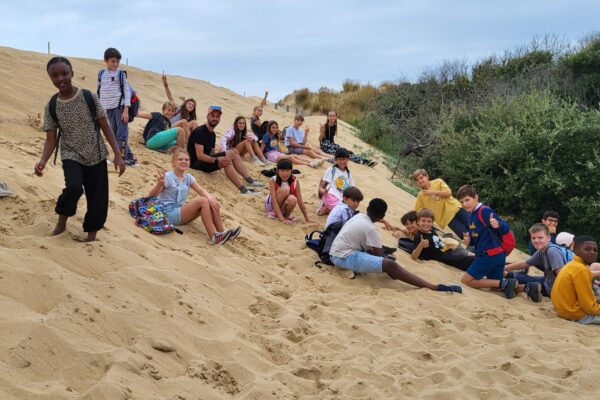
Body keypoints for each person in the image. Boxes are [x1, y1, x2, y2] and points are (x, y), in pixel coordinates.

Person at [35, 56, 126, 242]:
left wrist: (118, 154)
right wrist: (43, 160)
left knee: (97, 196)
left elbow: (106, 127)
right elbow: (51, 139)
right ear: (50, 78)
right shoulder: (51, 106)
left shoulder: (88, 97)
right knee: (74, 187)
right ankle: (61, 224)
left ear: (72, 74)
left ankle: (91, 236)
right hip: (70, 154)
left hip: (96, 153)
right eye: (54, 75)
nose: (60, 78)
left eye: (64, 74)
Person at [328, 198, 463, 293]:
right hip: (342, 257)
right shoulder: (370, 229)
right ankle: (433, 286)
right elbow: (382, 260)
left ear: (367, 209)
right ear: (383, 215)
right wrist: (391, 266)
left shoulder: (360, 217)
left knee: (385, 258)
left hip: (338, 252)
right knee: (390, 264)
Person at [456, 185, 542, 302]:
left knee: (466, 281)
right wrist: (469, 241)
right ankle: (528, 288)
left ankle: (506, 282)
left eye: (467, 200)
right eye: (462, 202)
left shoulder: (484, 211)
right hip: (496, 255)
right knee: (495, 287)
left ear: (475, 197)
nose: (465, 204)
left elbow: (505, 227)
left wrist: (498, 225)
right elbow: (478, 239)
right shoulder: (471, 216)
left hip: (489, 255)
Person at [149, 148, 240, 245]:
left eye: (186, 159)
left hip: (180, 211)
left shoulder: (188, 177)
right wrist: (159, 184)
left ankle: (223, 233)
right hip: (168, 214)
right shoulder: (167, 176)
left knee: (210, 201)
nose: (184, 161)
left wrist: (210, 198)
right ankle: (214, 236)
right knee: (203, 201)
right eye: (180, 159)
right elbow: (151, 197)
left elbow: (200, 190)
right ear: (173, 162)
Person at [187, 106, 265, 195]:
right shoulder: (199, 131)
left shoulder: (212, 134)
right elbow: (199, 156)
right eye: (212, 116)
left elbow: (212, 153)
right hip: (196, 163)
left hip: (207, 160)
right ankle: (243, 190)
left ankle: (250, 181)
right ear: (207, 116)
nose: (215, 118)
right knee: (226, 159)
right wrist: (218, 159)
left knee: (233, 153)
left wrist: (225, 153)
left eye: (217, 117)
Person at [504, 223, 568, 297]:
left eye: (540, 237)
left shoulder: (552, 251)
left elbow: (562, 275)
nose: (536, 240)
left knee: (523, 283)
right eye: (533, 238)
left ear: (548, 238)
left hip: (555, 288)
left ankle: (525, 288)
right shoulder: (543, 250)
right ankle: (506, 274)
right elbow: (525, 264)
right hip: (548, 281)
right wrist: (503, 268)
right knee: (530, 278)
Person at [97, 47, 136, 166]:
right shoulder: (101, 74)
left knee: (121, 135)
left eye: (117, 61)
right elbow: (99, 90)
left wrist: (126, 110)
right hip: (108, 108)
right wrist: (99, 107)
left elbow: (126, 91)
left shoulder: (121, 74)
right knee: (113, 134)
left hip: (120, 107)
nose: (116, 64)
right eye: (113, 61)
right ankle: (129, 158)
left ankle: (121, 159)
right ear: (106, 60)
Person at [551, 235, 600, 324]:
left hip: (563, 310)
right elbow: (589, 307)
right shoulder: (581, 270)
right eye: (587, 249)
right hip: (575, 314)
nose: (592, 252)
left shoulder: (573, 264)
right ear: (575, 250)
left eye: (595, 250)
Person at [413, 169, 469, 237]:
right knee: (466, 236)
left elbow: (448, 193)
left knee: (476, 228)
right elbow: (418, 212)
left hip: (457, 209)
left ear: (427, 176)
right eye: (417, 180)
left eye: (421, 177)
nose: (420, 180)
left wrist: (432, 192)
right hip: (447, 219)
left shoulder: (438, 182)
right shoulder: (421, 195)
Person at [265, 159, 313, 224]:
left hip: (284, 204)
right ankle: (274, 213)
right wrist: (282, 219)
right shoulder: (273, 180)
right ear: (277, 171)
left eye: (288, 170)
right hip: (272, 205)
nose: (285, 173)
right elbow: (274, 200)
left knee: (293, 199)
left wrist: (307, 219)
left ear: (291, 171)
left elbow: (300, 201)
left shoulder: (295, 180)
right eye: (282, 170)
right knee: (285, 190)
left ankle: (286, 216)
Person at [317, 148, 355, 216]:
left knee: (347, 209)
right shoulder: (332, 170)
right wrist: (322, 190)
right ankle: (326, 207)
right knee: (343, 210)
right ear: (335, 160)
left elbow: (352, 188)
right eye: (340, 159)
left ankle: (327, 210)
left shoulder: (348, 173)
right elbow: (321, 186)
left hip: (341, 199)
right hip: (330, 196)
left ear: (348, 159)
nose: (342, 162)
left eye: (344, 159)